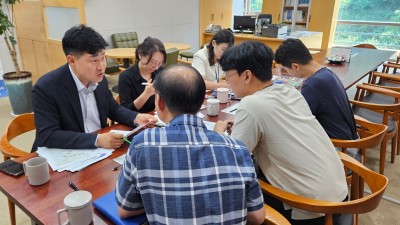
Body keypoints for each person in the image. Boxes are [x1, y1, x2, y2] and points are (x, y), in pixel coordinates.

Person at [215, 41, 348, 225]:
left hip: (311, 209)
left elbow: (232, 161)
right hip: (340, 193)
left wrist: (219, 134)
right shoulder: (289, 91)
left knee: (232, 196)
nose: (227, 81)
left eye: (228, 75)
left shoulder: (251, 105)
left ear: (246, 75)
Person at [115, 64, 265, 224]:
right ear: (202, 100)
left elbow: (125, 209)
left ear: (159, 102)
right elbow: (257, 216)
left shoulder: (142, 144)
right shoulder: (238, 148)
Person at [32, 24, 156, 151]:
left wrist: (136, 117)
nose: (101, 66)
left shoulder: (99, 79)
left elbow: (113, 109)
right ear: (72, 61)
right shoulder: (46, 87)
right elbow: (48, 135)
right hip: (66, 155)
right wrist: (97, 140)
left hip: (99, 152)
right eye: (94, 61)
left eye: (103, 58)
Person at [274, 39, 359, 159]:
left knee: (278, 144)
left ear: (295, 66)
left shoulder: (313, 84)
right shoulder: (325, 73)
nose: (287, 73)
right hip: (349, 139)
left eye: (286, 69)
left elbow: (296, 120)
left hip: (339, 148)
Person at [118, 36, 166, 113]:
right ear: (140, 55)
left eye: (159, 63)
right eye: (152, 62)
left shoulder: (161, 72)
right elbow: (126, 111)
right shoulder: (126, 76)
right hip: (136, 120)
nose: (156, 67)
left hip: (156, 118)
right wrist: (146, 94)